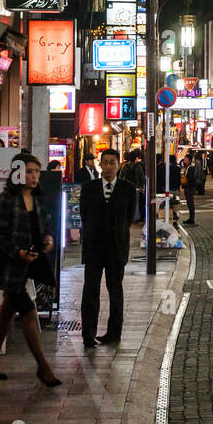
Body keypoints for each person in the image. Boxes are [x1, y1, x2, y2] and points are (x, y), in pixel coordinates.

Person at [0, 152, 61, 386]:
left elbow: (43, 227)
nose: (34, 176)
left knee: (7, 311)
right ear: (17, 172)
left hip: (27, 265)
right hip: (8, 267)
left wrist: (47, 240)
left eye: (37, 171)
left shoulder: (36, 198)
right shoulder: (6, 200)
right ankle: (43, 367)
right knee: (28, 311)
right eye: (29, 171)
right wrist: (18, 252)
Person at [79, 148, 137, 348]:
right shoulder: (89, 188)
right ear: (100, 164)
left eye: (113, 162)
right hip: (94, 246)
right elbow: (85, 216)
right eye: (105, 162)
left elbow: (128, 217)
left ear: (118, 165)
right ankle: (88, 334)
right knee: (90, 290)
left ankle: (114, 333)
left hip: (116, 247)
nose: (109, 166)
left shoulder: (128, 189)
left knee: (115, 291)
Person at [182, 154, 200, 224]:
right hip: (188, 187)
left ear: (189, 160)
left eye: (186, 158)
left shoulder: (191, 168)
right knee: (189, 203)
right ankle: (191, 218)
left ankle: (191, 219)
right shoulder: (187, 167)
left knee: (190, 203)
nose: (184, 160)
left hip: (190, 187)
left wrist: (185, 184)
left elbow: (191, 179)